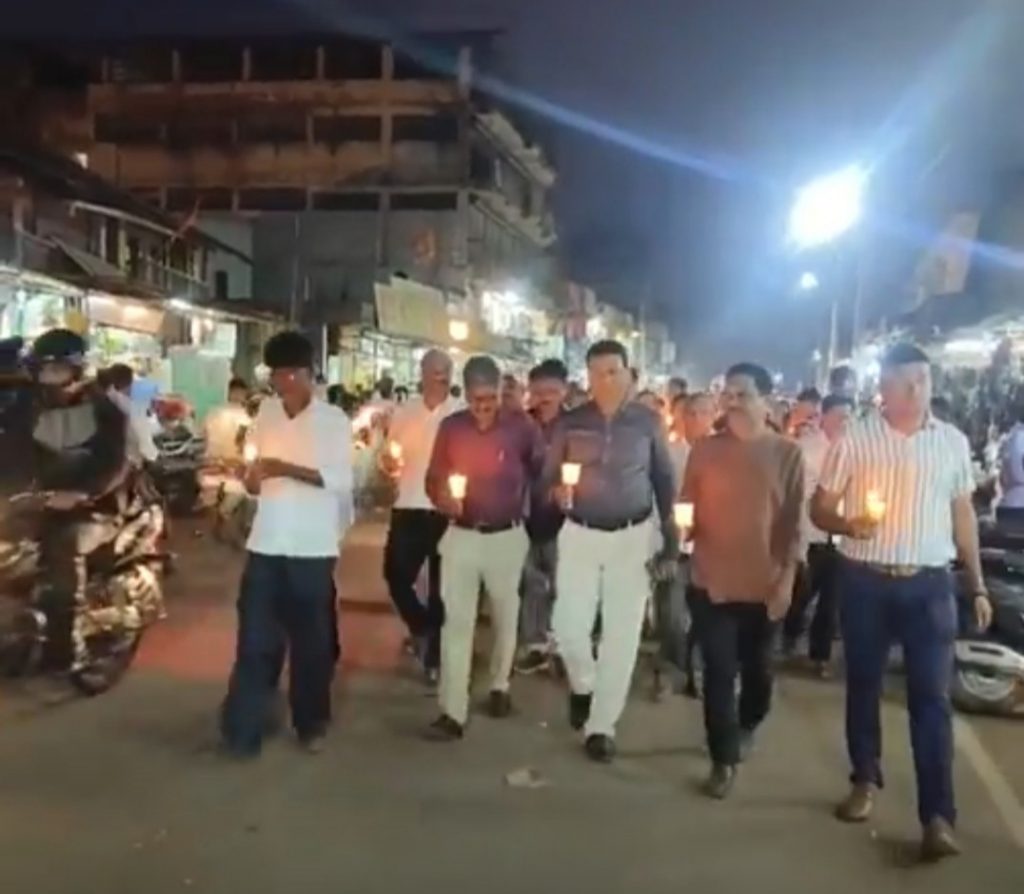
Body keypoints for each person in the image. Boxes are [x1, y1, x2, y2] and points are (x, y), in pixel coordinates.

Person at [811, 342, 992, 861]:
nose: (916, 392)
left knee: (931, 699)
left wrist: (975, 583)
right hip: (865, 578)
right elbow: (820, 506)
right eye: (904, 383)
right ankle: (865, 778)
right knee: (863, 685)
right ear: (883, 389)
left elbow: (962, 517)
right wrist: (848, 524)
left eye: (923, 382)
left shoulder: (952, 443)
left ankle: (938, 815)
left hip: (929, 584)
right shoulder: (856, 438)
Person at [544, 339, 678, 763]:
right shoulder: (570, 422)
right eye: (596, 373)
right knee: (568, 626)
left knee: (622, 634)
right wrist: (556, 493)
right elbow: (548, 478)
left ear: (628, 373)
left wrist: (671, 541)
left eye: (612, 372)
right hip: (580, 532)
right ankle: (583, 685)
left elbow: (664, 482)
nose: (604, 381)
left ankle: (602, 726)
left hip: (631, 535)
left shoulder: (647, 422)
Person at [220, 332, 353, 758]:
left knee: (311, 644)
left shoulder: (333, 420)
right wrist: (254, 479)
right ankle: (244, 729)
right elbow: (256, 475)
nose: (283, 383)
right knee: (256, 639)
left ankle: (310, 721)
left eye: (291, 374)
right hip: (267, 541)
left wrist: (285, 468)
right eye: (277, 374)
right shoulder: (266, 414)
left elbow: (341, 481)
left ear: (309, 374)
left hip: (312, 548)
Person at [681, 362, 805, 799]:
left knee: (759, 672)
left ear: (766, 400)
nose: (731, 402)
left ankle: (749, 721)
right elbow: (686, 507)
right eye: (727, 393)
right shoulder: (705, 450)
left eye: (742, 394)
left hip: (764, 584)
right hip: (712, 580)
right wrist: (684, 529)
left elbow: (793, 524)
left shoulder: (787, 454)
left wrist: (786, 579)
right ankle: (723, 758)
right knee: (717, 671)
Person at [423, 355, 543, 740]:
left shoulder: (521, 428)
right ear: (466, 394)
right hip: (461, 535)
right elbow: (433, 478)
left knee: (506, 615)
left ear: (500, 391)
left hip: (507, 537)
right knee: (457, 623)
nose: (482, 408)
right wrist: (444, 498)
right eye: (475, 400)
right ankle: (452, 711)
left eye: (489, 399)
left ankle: (499, 685)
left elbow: (543, 470)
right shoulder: (451, 428)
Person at [27, 329, 144, 669]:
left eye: (57, 370)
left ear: (77, 369)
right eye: (44, 370)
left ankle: (67, 644)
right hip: (42, 501)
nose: (48, 377)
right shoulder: (31, 407)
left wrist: (84, 494)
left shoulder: (106, 410)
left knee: (63, 545)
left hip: (99, 508)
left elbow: (117, 463)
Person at [380, 349, 460, 679]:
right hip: (409, 502)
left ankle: (435, 659)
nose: (440, 375)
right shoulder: (404, 412)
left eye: (445, 370)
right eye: (434, 369)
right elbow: (389, 453)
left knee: (443, 586)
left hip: (445, 509)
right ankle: (422, 625)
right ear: (422, 373)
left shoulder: (460, 413)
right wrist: (388, 464)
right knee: (395, 574)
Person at [782, 394, 855, 673]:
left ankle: (820, 656)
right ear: (823, 416)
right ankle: (789, 636)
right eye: (838, 416)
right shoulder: (807, 449)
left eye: (848, 417)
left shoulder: (854, 451)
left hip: (839, 536)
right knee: (802, 592)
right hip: (810, 533)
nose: (843, 422)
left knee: (831, 601)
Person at [516, 358, 569, 675]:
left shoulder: (576, 425)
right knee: (531, 583)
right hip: (524, 515)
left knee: (564, 586)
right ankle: (534, 645)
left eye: (551, 390)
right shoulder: (521, 424)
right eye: (538, 391)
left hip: (565, 519)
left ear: (564, 390)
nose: (544, 397)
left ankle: (561, 644)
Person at [105, 362, 159, 466]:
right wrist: (154, 456)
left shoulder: (109, 396)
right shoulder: (131, 407)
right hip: (124, 460)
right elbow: (145, 447)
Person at [204, 378, 251, 464]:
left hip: (234, 461)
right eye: (235, 392)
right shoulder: (216, 413)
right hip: (219, 461)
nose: (237, 395)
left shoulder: (248, 416)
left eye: (240, 392)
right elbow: (207, 436)